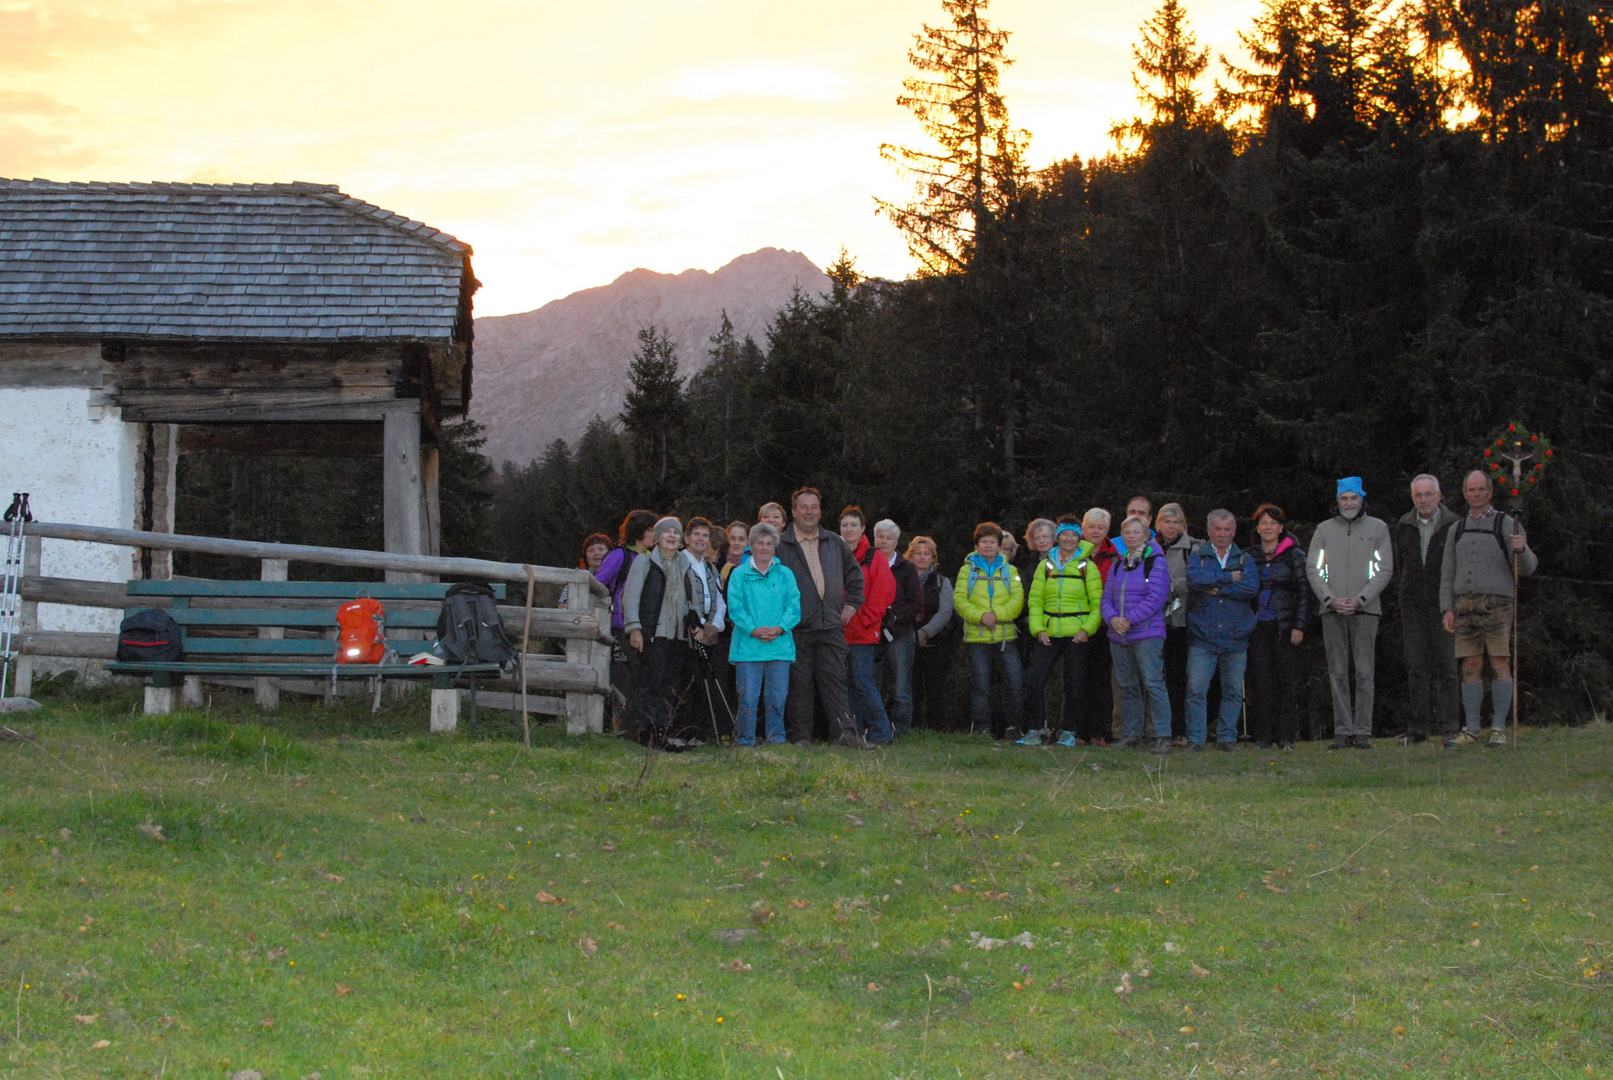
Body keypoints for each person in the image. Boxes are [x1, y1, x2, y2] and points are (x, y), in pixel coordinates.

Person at [1440, 470, 1538, 748]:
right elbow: (1447, 573)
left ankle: (1498, 727)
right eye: (1471, 490)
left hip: (1497, 605)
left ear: (1490, 492)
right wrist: (1447, 608)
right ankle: (1471, 728)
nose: (1476, 495)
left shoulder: (1507, 524)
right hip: (1464, 606)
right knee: (1470, 665)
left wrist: (1523, 549)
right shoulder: (1456, 529)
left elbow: (1528, 569)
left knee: (1498, 662)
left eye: (1481, 489)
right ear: (1464, 493)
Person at [776, 487, 870, 748]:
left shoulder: (834, 543)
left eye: (814, 506)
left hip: (830, 624)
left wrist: (852, 605)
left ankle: (845, 734)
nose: (809, 512)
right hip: (797, 627)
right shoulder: (781, 546)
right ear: (793, 511)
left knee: (836, 681)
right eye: (803, 507)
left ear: (820, 510)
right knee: (800, 684)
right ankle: (801, 737)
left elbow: (854, 576)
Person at [1306, 477, 1394, 750]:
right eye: (1344, 498)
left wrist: (1361, 599)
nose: (1348, 503)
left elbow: (1384, 569)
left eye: (1353, 498)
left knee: (1365, 672)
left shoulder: (1378, 528)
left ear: (1361, 499)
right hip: (1331, 612)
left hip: (1366, 611)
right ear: (1337, 501)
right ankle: (1343, 731)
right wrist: (1330, 599)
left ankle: (1364, 732)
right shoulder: (1324, 529)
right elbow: (1313, 569)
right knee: (1337, 673)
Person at [1018, 515, 1102, 747]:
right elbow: (1035, 601)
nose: (1068, 539)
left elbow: (1097, 603)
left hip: (1077, 633)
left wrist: (1087, 629)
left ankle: (1069, 731)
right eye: (1064, 534)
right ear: (1058, 538)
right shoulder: (1045, 566)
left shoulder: (1088, 566)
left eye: (1073, 535)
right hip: (1049, 632)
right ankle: (1035, 729)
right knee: (1034, 679)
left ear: (1079, 538)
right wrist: (1037, 629)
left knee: (1074, 683)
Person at [1393, 475, 1461, 744]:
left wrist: (1452, 604)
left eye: (1428, 494)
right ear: (1412, 498)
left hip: (1444, 605)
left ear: (1439, 495)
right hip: (1412, 605)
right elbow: (1402, 564)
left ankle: (1450, 728)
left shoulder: (1454, 524)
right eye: (1418, 495)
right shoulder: (1404, 525)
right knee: (1416, 667)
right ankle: (1418, 728)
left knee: (1447, 666)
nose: (1423, 500)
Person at [1185, 509, 1260, 751]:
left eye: (1227, 529)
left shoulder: (1245, 559)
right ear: (1209, 531)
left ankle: (1227, 737)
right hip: (1202, 636)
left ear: (1234, 531)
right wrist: (1230, 578)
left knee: (1233, 691)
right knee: (1196, 690)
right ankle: (1196, 738)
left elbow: (1251, 588)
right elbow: (1195, 581)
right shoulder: (1198, 556)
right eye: (1217, 529)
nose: (1222, 534)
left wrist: (1218, 586)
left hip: (1236, 636)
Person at [1243, 505, 1312, 751]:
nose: (1268, 527)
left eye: (1273, 523)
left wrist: (1299, 625)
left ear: (1281, 527)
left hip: (1285, 626)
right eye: (1264, 523)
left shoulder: (1294, 555)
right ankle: (1262, 737)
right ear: (1257, 528)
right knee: (1260, 682)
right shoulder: (1249, 556)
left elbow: (1304, 592)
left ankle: (1285, 737)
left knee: (1285, 682)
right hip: (1257, 627)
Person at [725, 522, 801, 746]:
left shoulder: (786, 574)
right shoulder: (738, 574)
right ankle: (745, 740)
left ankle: (776, 739)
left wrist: (780, 628)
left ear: (775, 547)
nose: (765, 548)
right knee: (748, 699)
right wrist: (753, 630)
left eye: (769, 544)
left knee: (777, 698)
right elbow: (735, 607)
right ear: (752, 545)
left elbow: (794, 606)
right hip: (748, 647)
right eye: (760, 543)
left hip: (779, 645)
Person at [1102, 516, 1173, 752]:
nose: (1131, 536)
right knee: (1127, 685)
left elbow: (1156, 598)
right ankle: (1132, 734)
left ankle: (1162, 734)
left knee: (1153, 683)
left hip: (1146, 634)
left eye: (1136, 532)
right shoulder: (1117, 565)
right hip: (1119, 635)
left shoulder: (1156, 562)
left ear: (1146, 536)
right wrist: (1113, 619)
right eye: (1127, 532)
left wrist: (1128, 620)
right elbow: (1106, 599)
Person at [620, 517, 690, 748]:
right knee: (651, 684)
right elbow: (630, 597)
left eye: (676, 533)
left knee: (668, 687)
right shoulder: (645, 561)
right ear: (657, 538)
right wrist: (635, 628)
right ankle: (644, 734)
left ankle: (662, 735)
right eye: (666, 532)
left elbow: (691, 598)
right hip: (653, 635)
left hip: (677, 636)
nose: (672, 536)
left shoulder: (684, 565)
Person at [955, 522, 1025, 738]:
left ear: (999, 545)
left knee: (1014, 683)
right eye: (983, 541)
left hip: (1006, 637)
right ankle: (982, 729)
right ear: (976, 545)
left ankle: (1015, 728)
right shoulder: (967, 570)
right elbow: (959, 599)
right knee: (981, 687)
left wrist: (997, 615)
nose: (988, 545)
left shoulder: (1010, 570)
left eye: (992, 542)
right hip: (977, 638)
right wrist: (981, 617)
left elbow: (1018, 599)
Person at [594, 509, 659, 735]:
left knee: (639, 680)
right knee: (622, 680)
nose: (656, 535)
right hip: (620, 628)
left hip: (645, 629)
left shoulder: (653, 559)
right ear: (640, 531)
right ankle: (620, 731)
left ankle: (637, 731)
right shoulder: (619, 556)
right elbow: (597, 584)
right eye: (652, 530)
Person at [840, 506, 895, 745]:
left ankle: (883, 732)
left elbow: (884, 592)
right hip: (839, 630)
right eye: (844, 525)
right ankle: (858, 731)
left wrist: (865, 619)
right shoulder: (836, 553)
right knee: (848, 683)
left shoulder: (874, 556)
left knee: (863, 681)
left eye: (853, 524)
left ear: (863, 528)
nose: (848, 529)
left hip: (863, 629)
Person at [679, 516, 731, 743]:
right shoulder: (680, 561)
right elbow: (681, 598)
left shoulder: (709, 567)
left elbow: (719, 600)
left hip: (708, 634)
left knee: (703, 685)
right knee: (686, 686)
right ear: (687, 538)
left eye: (705, 535)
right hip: (687, 633)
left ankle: (699, 734)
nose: (701, 539)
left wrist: (715, 627)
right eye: (696, 534)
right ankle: (682, 733)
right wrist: (699, 626)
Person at [874, 519, 923, 737]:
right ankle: (874, 727)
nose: (884, 542)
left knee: (901, 686)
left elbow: (916, 602)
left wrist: (895, 616)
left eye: (889, 538)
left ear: (896, 541)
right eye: (880, 537)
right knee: (872, 683)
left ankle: (900, 730)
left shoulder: (907, 567)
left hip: (900, 634)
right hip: (872, 632)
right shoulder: (866, 563)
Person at [1155, 504, 1197, 744]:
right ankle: (1159, 730)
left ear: (1183, 525)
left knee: (1180, 677)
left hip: (1182, 622)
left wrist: (1172, 585)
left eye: (1176, 522)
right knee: (1156, 678)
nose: (1171, 527)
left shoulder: (1193, 548)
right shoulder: (1148, 547)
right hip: (1154, 621)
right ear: (1158, 524)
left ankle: (1180, 728)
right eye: (1166, 521)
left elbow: (1197, 580)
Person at [1077, 508, 1117, 746]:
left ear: (1107, 530)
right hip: (1076, 625)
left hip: (1103, 625)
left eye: (1100, 527)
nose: (1095, 531)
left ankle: (1099, 732)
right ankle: (1077, 731)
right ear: (1083, 528)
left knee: (1101, 681)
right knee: (1077, 680)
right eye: (1091, 526)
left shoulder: (1114, 556)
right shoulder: (1071, 553)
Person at [908, 536, 956, 730]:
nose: (921, 558)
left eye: (926, 554)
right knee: (911, 686)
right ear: (910, 556)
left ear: (933, 557)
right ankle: (912, 726)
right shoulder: (903, 579)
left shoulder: (941, 581)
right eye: (917, 554)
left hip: (936, 642)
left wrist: (925, 632)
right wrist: (912, 633)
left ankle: (936, 728)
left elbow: (945, 612)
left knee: (936, 688)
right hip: (908, 639)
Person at [720, 521, 749, 587]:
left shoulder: (753, 565)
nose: (736, 543)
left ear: (748, 542)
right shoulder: (718, 564)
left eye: (741, 539)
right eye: (732, 538)